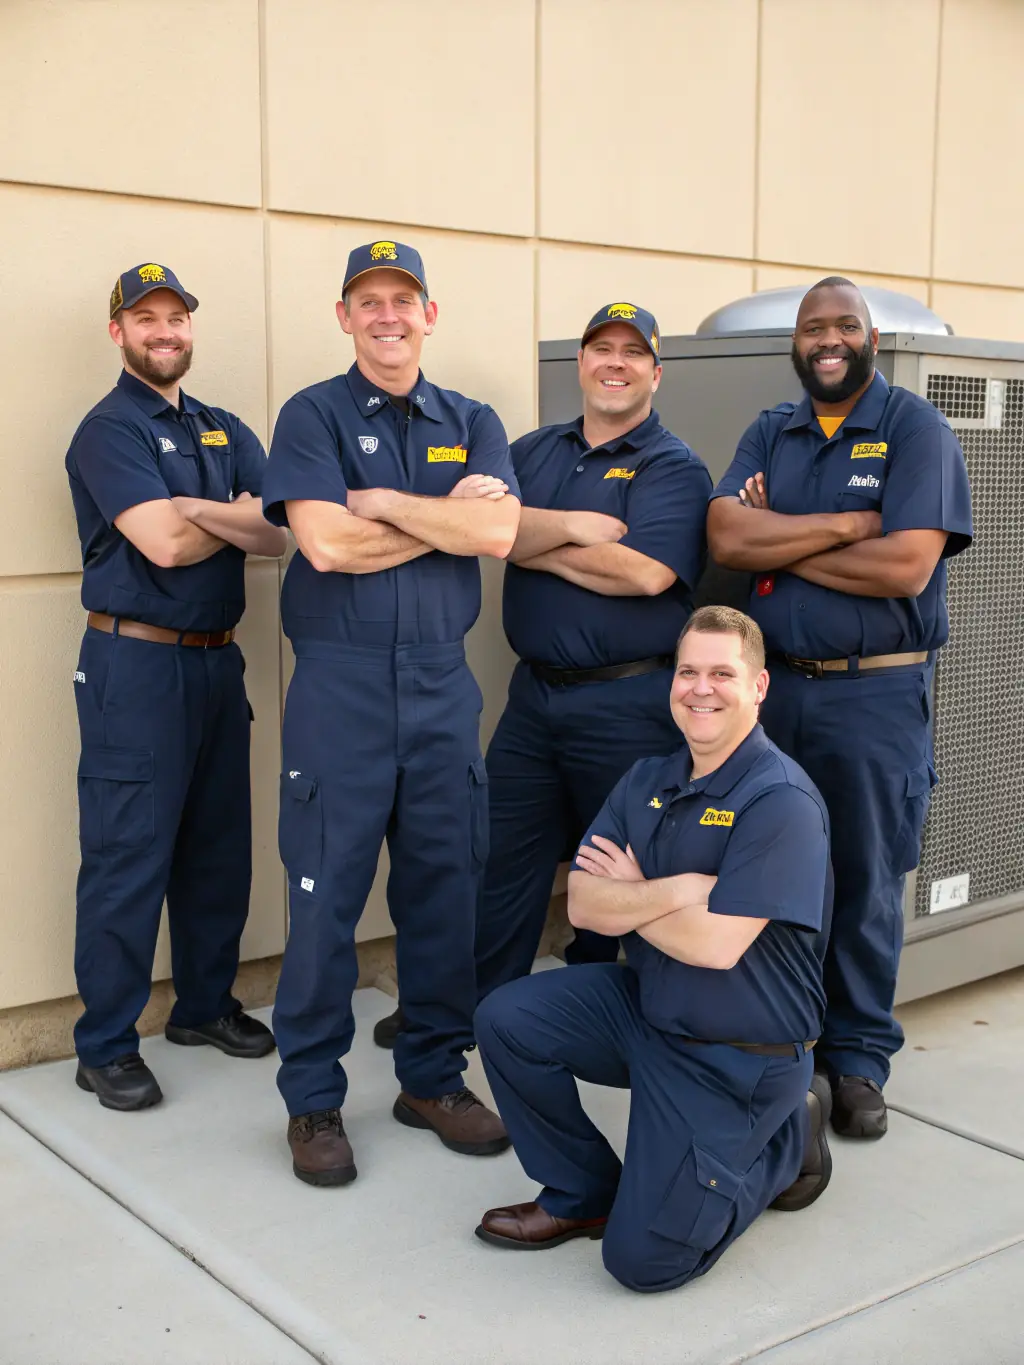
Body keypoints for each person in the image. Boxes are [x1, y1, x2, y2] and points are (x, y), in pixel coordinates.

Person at [373, 301, 711, 1049]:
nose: (614, 362)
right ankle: (470, 1014)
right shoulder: (530, 451)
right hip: (535, 699)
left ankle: (633, 1025)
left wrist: (528, 539)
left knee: (625, 867)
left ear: (656, 371)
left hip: (628, 703)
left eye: (632, 351)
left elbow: (645, 574)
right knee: (500, 863)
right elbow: (486, 533)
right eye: (601, 349)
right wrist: (571, 530)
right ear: (580, 363)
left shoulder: (674, 467)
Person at [473, 607, 833, 1293]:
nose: (701, 688)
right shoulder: (647, 779)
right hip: (651, 1011)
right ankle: (584, 1193)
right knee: (506, 1017)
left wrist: (635, 895)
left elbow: (717, 944)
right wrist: (682, 890)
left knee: (642, 1263)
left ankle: (789, 1138)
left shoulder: (779, 801)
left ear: (759, 686)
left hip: (738, 1056)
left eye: (722, 673)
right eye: (688, 670)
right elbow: (583, 903)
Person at [262, 240, 521, 1187]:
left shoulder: (473, 418)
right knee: (325, 894)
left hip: (442, 683)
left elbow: (495, 531)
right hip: (341, 684)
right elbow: (324, 548)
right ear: (344, 317)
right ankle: (313, 1098)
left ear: (429, 314)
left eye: (402, 299)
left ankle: (432, 1078)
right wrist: (430, 513)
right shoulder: (312, 415)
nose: (387, 315)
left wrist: (378, 502)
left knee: (444, 889)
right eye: (367, 300)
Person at [707, 277, 972, 1139]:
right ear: (797, 342)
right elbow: (725, 538)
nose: (829, 339)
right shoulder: (767, 430)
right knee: (770, 870)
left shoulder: (914, 428)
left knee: (863, 877)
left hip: (874, 695)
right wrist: (851, 525)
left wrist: (781, 539)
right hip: (776, 693)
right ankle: (781, 1038)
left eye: (844, 325)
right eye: (813, 327)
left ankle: (856, 1061)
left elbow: (906, 568)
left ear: (870, 337)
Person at [66, 263, 287, 1112]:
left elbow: (276, 530)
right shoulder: (108, 430)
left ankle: (203, 1007)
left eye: (176, 318)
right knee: (128, 855)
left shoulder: (224, 426)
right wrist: (217, 511)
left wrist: (199, 511)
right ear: (118, 331)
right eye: (145, 318)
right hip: (136, 664)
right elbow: (159, 545)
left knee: (217, 844)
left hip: (216, 659)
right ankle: (105, 1044)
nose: (165, 331)